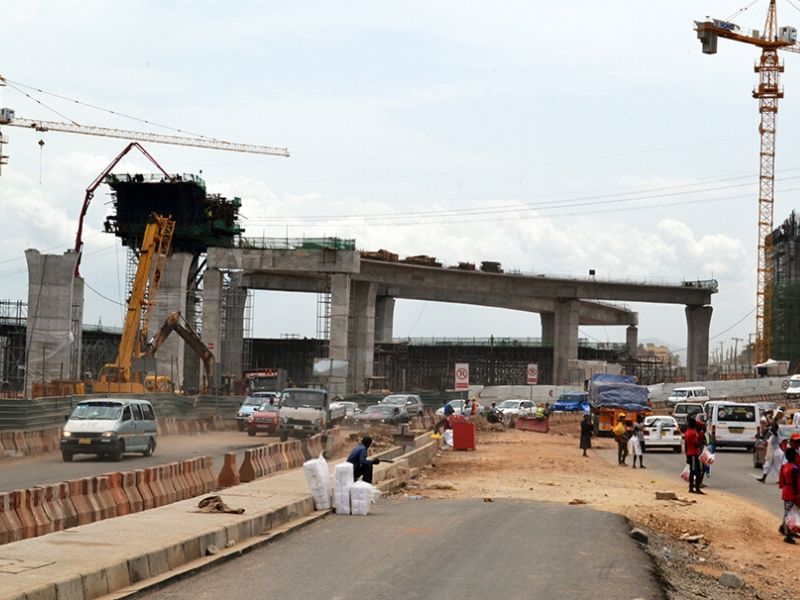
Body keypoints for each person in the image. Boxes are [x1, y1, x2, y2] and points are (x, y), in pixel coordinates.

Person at [758, 407, 785, 483]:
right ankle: (763, 478)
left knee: (778, 467)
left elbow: (773, 427)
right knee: (767, 465)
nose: (771, 429)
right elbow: (771, 425)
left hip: (777, 453)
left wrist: (774, 420)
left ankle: (781, 480)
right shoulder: (773, 434)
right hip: (772, 452)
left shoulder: (776, 435)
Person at [779, 447, 799, 544]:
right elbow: (797, 483)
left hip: (786, 490)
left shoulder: (784, 466)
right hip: (792, 492)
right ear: (794, 456)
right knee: (790, 513)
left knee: (787, 512)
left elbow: (781, 481)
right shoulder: (794, 468)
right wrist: (797, 494)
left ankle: (784, 529)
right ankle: (787, 534)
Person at [685, 416, 704, 494]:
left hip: (689, 453)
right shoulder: (693, 433)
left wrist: (686, 455)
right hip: (693, 454)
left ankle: (692, 488)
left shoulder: (687, 432)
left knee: (693, 471)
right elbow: (695, 444)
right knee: (696, 471)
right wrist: (701, 444)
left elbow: (686, 445)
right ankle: (696, 488)